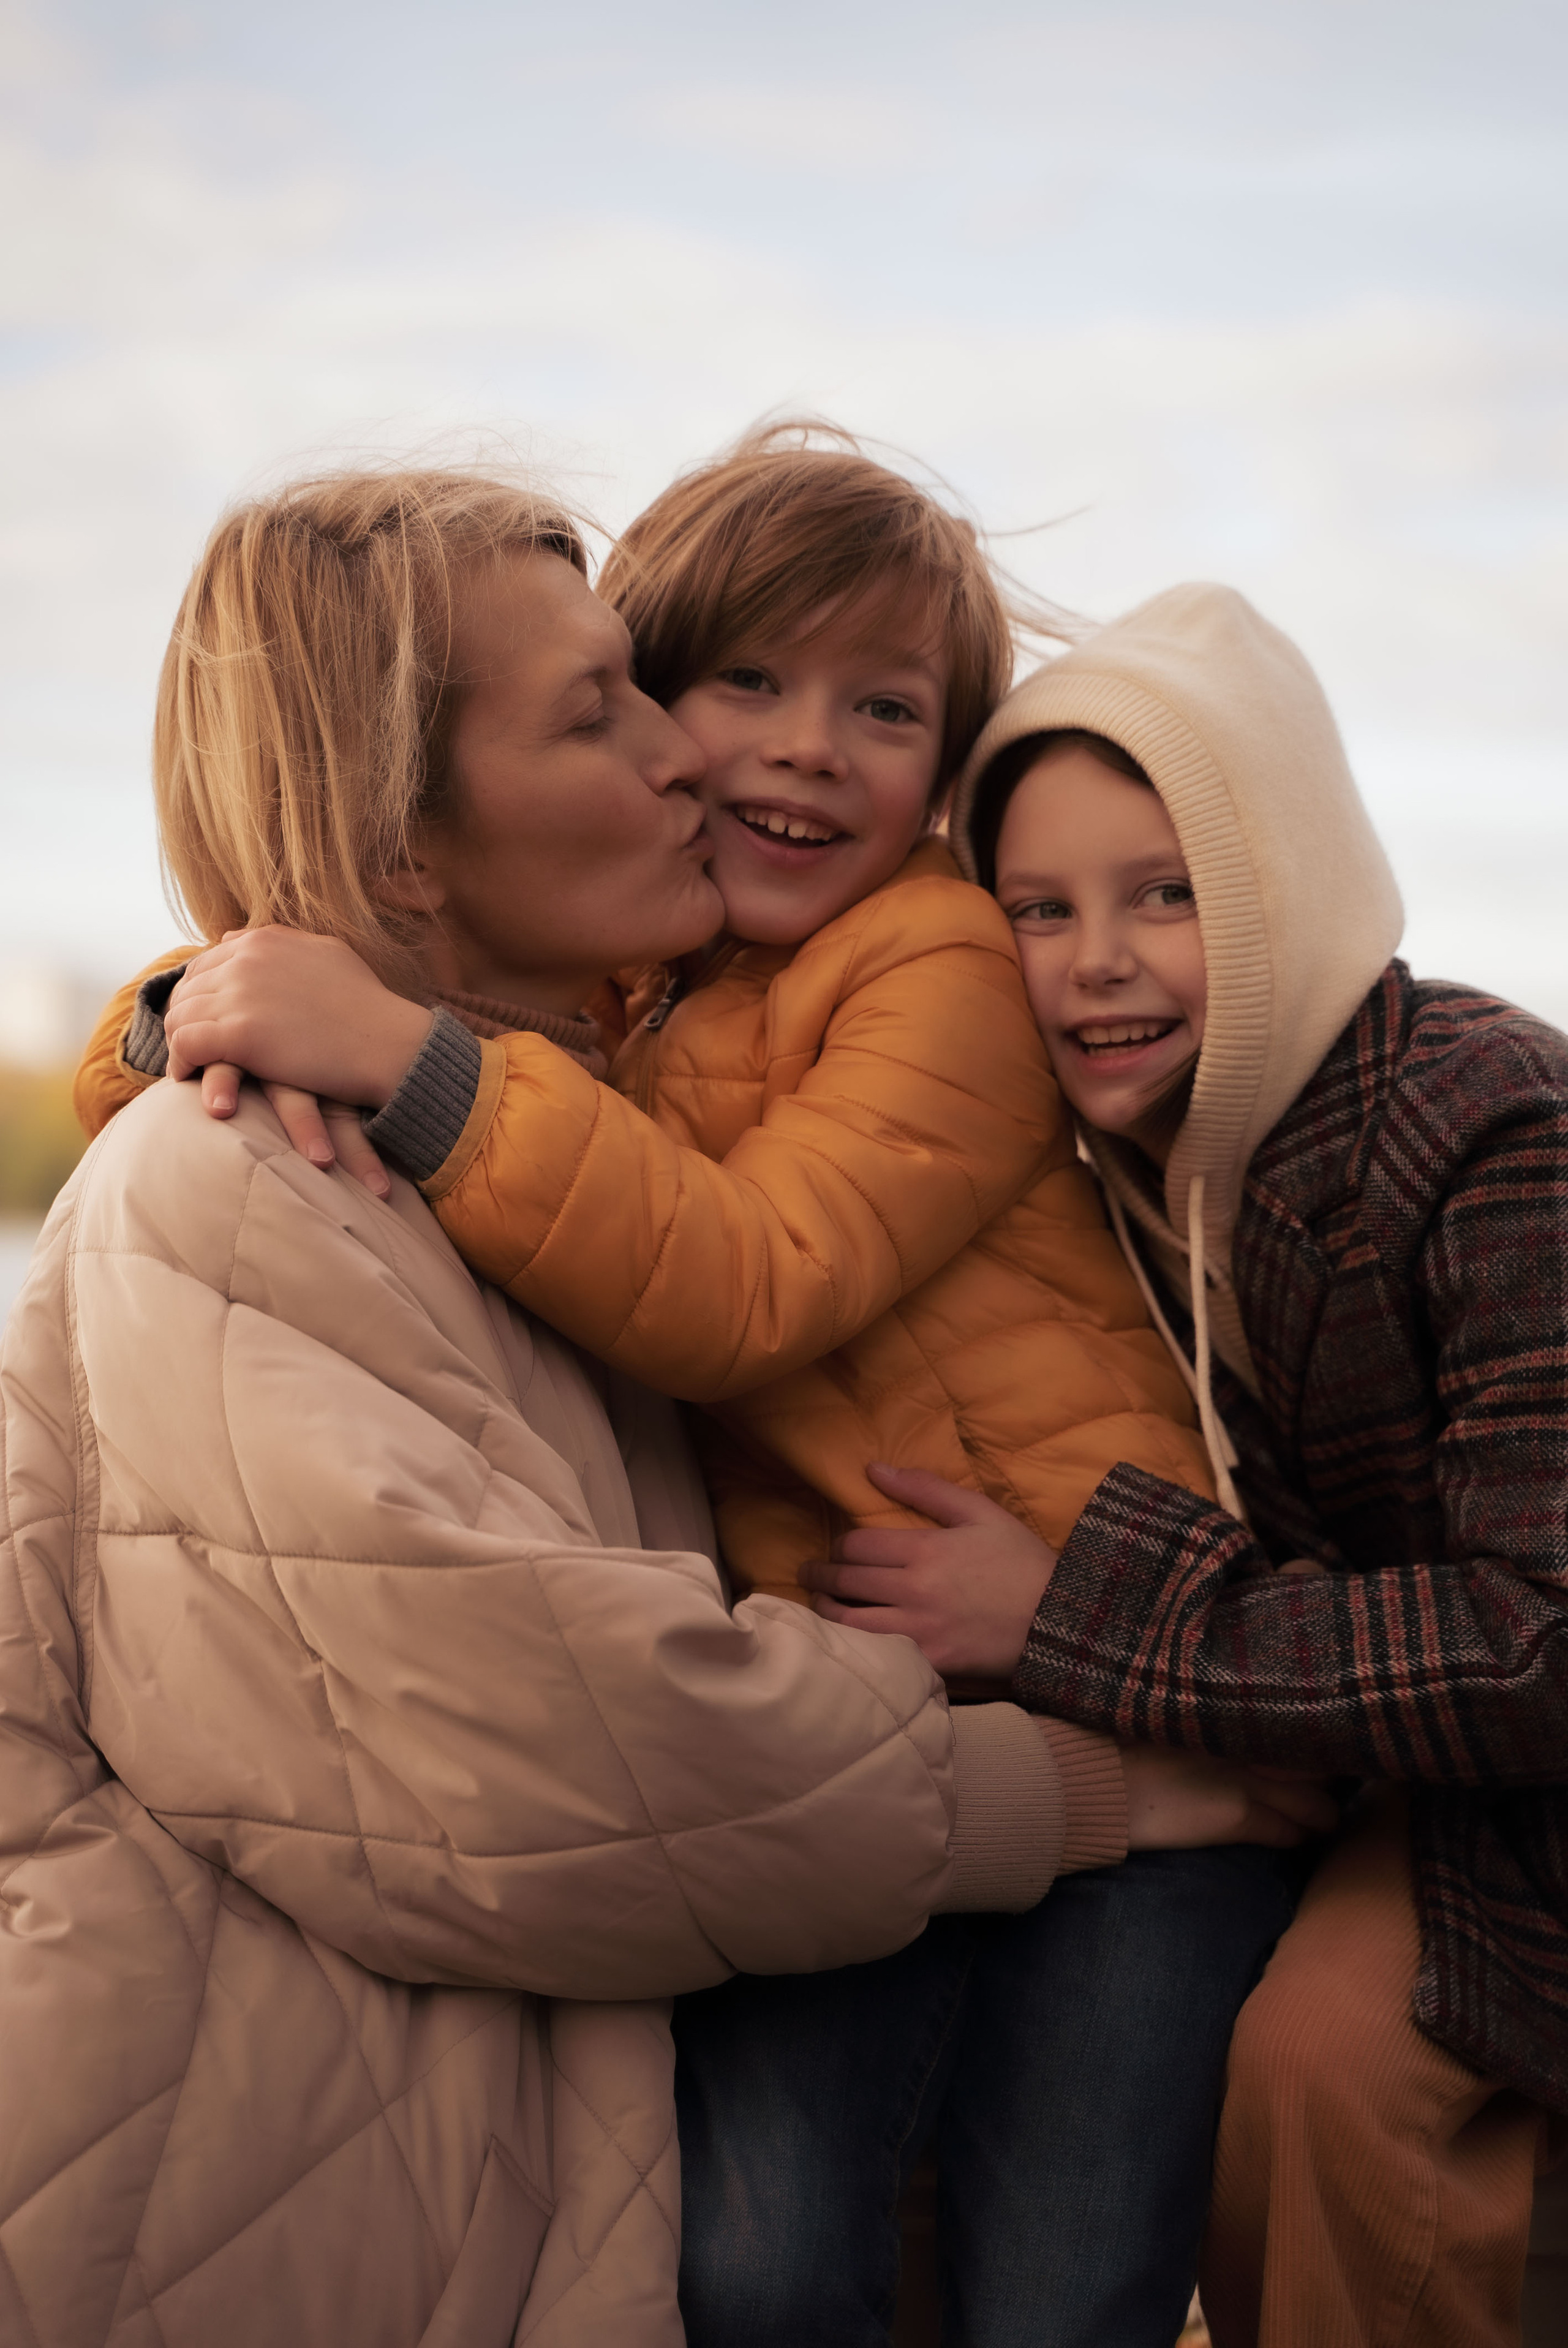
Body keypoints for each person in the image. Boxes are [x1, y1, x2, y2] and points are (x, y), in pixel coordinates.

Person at [34, 469, 1310, 2348]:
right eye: (664, 696)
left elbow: (723, 1266)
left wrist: (363, 1039)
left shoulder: (893, 970)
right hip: (786, 1779)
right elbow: (579, 1748)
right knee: (784, 2255)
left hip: (1061, 1692)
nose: (744, 756)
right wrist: (189, 1015)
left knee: (1065, 2269)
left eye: (885, 708)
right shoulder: (478, 1063)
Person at [805, 579, 1568, 2346]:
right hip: (1368, 1765)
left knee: (1323, 2065)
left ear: (1282, 885)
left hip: (1513, 1788)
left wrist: (1072, 1611)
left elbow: (1542, 1637)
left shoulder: (1485, 1128)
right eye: (1040, 907)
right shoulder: (1143, 1159)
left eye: (1169, 894)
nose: (1098, 959)